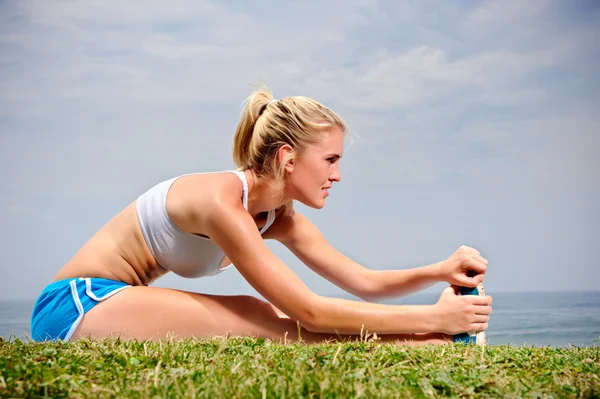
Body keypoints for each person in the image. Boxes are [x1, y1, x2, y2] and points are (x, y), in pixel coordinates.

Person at [30, 86, 493, 346]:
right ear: (289, 159)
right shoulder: (221, 201)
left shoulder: (277, 217)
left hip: (121, 300)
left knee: (260, 316)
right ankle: (433, 344)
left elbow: (363, 281)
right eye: (330, 160)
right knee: (256, 315)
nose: (337, 175)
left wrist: (438, 271)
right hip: (76, 305)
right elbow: (309, 311)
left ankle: (435, 342)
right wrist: (435, 318)